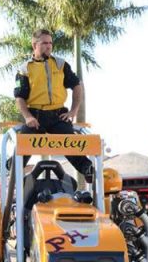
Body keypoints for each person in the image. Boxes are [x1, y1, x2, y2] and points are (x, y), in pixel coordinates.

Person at [14, 29, 92, 182]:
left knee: (70, 142)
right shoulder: (24, 70)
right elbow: (19, 97)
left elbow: (77, 85)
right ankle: (12, 171)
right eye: (44, 43)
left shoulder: (61, 64)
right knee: (23, 144)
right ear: (34, 45)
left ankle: (88, 170)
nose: (49, 46)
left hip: (58, 116)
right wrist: (28, 117)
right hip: (35, 116)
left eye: (50, 43)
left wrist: (73, 111)